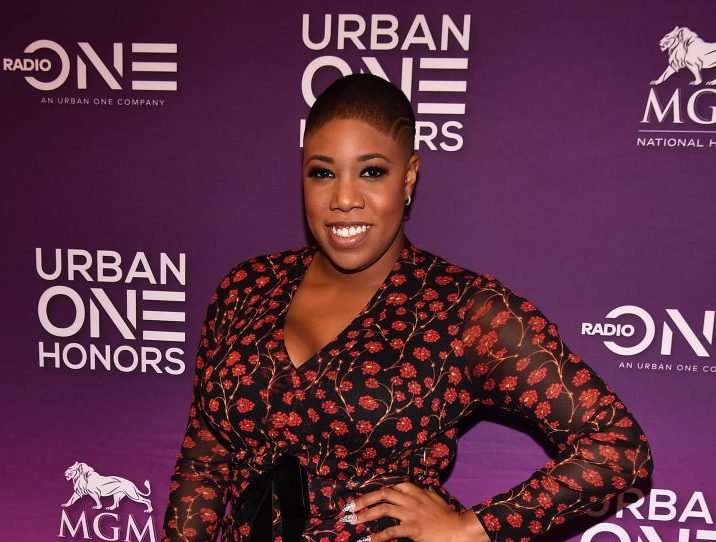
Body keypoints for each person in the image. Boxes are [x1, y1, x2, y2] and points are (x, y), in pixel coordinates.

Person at [161, 73, 653, 542]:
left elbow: (618, 447)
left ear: (409, 176)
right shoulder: (247, 288)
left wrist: (472, 528)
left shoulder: (462, 309)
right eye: (323, 173)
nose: (344, 198)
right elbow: (205, 463)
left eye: (372, 171)